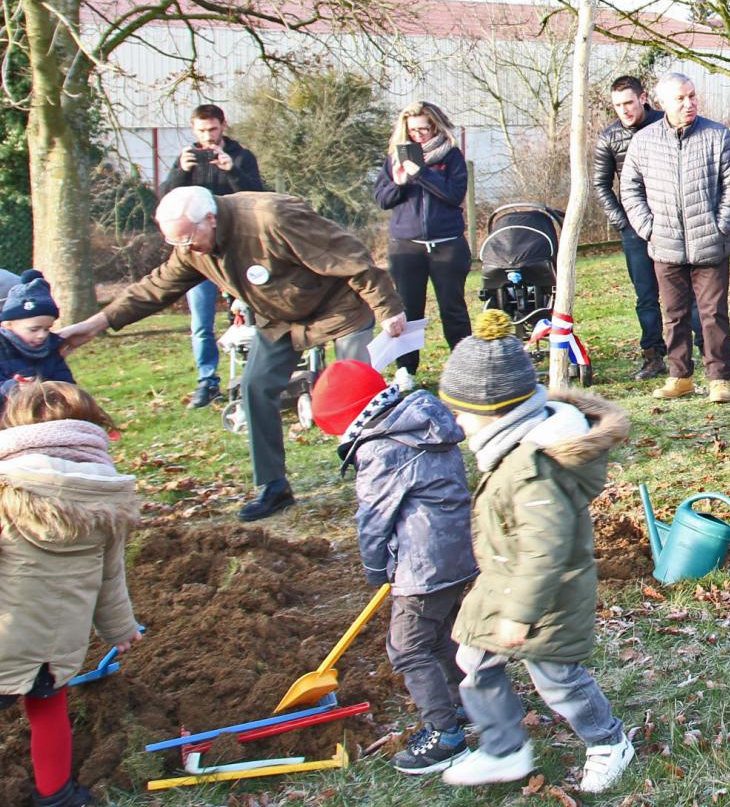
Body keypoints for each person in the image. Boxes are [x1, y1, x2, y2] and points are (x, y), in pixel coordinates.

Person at [58, 186, 406, 521]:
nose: (185, 247)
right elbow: (157, 286)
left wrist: (388, 308)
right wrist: (96, 324)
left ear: (209, 218)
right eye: (176, 241)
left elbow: (350, 258)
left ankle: (376, 474)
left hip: (339, 308)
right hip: (279, 320)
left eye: (187, 237)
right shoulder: (193, 247)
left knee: (358, 393)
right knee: (255, 387)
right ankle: (273, 485)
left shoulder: (272, 217)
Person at [437, 310, 635, 791]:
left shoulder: (533, 468)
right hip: (504, 583)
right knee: (474, 660)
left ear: (495, 412)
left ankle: (608, 741)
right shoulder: (512, 447)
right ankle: (504, 748)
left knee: (557, 677)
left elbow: (545, 550)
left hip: (548, 595)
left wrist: (520, 613)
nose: (457, 422)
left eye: (462, 412)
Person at [313, 358, 479, 775]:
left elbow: (373, 518)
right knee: (438, 637)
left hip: (424, 564)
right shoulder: (421, 422)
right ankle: (468, 705)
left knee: (406, 648)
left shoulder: (379, 448)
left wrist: (375, 569)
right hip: (459, 550)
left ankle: (443, 735)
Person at [0, 382, 141, 807]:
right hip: (53, 646)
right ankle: (58, 795)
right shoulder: (107, 498)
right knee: (47, 712)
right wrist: (121, 629)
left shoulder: (6, 488)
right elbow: (110, 577)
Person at [619, 73, 730, 404]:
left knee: (713, 314)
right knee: (673, 315)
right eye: (680, 98)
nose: (689, 103)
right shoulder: (644, 141)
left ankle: (719, 378)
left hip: (710, 244)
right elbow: (630, 188)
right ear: (660, 103)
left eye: (692, 96)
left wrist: (721, 225)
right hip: (665, 244)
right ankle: (679, 376)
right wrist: (648, 227)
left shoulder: (717, 135)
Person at [161, 103, 265, 409]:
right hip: (197, 251)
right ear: (194, 129)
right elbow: (166, 197)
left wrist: (231, 170)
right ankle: (207, 381)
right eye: (202, 131)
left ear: (224, 125)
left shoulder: (241, 156)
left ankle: (253, 377)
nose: (208, 137)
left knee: (250, 315)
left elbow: (256, 196)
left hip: (236, 248)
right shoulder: (187, 159)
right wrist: (182, 170)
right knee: (201, 322)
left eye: (213, 129)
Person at [371, 101, 472, 386]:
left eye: (424, 129)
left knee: (453, 307)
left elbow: (454, 194)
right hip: (406, 246)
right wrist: (400, 182)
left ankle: (463, 367)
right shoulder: (394, 158)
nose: (419, 136)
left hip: (447, 244)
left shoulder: (450, 156)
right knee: (408, 309)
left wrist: (422, 174)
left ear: (436, 126)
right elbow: (382, 199)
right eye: (413, 131)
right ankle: (406, 370)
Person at [591, 76, 670, 378]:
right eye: (617, 106)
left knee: (683, 290)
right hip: (634, 228)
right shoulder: (608, 138)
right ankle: (653, 356)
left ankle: (702, 348)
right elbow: (601, 185)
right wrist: (623, 222)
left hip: (672, 221)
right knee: (646, 295)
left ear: (643, 98)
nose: (623, 110)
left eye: (628, 103)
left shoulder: (666, 124)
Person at [0, 271, 77, 407]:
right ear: (8, 325)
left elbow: (67, 384)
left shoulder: (51, 349)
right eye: (34, 329)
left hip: (45, 415)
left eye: (47, 328)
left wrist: (54, 390)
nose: (42, 335)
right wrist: (11, 388)